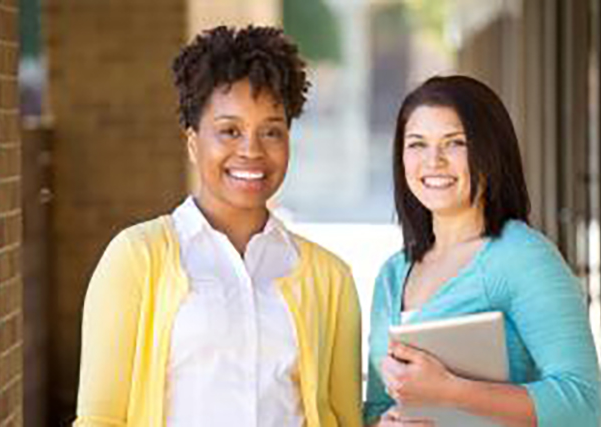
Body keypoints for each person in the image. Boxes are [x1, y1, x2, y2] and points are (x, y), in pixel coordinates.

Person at [73, 25, 362, 427]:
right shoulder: (136, 259)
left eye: (271, 132)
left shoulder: (331, 279)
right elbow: (99, 419)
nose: (251, 150)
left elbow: (344, 419)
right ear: (193, 142)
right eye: (229, 131)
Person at [364, 75, 600, 427]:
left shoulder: (522, 257)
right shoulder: (392, 275)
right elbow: (377, 407)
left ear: (490, 151)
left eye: (455, 142)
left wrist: (450, 392)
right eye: (417, 144)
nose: (434, 161)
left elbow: (586, 405)